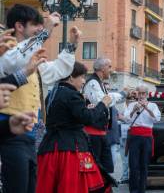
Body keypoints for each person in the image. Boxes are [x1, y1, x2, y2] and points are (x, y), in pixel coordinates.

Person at [0, 4, 79, 193]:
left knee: (30, 188)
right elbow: (15, 60)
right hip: (10, 133)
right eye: (36, 24)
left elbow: (58, 70)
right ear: (19, 26)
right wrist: (46, 33)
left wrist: (71, 46)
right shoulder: (5, 52)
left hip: (31, 135)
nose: (40, 29)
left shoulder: (31, 58)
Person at [36, 62, 114, 193]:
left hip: (50, 148)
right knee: (73, 186)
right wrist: (103, 104)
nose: (84, 81)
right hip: (70, 150)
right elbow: (88, 118)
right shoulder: (72, 94)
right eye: (82, 77)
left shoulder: (52, 94)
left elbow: (67, 117)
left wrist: (85, 110)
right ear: (71, 77)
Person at [83, 58, 127, 174]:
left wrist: (123, 95)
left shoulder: (99, 83)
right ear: (102, 68)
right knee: (94, 167)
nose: (111, 70)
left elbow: (108, 97)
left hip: (101, 133)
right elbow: (102, 101)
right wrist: (122, 94)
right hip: (93, 134)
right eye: (109, 67)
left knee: (106, 167)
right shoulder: (93, 82)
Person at [123, 85, 161, 193]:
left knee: (144, 165)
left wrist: (147, 108)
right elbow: (126, 119)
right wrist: (133, 110)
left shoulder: (153, 105)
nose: (141, 96)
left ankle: (142, 190)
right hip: (134, 137)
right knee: (133, 165)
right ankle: (133, 190)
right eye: (139, 93)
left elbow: (157, 119)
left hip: (147, 137)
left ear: (147, 95)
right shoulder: (131, 105)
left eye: (143, 93)